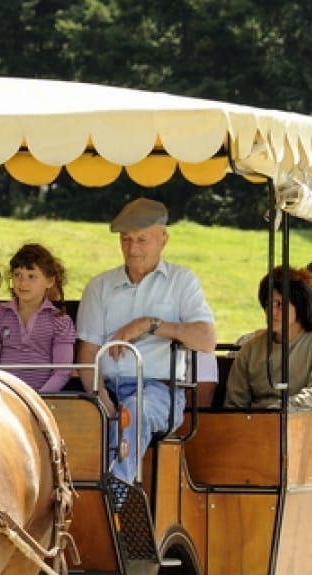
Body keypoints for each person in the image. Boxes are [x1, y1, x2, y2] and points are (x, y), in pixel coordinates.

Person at [76, 198, 217, 484]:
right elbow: (87, 352)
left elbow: (207, 340)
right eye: (126, 240)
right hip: (103, 390)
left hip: (160, 393)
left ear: (163, 239)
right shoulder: (100, 286)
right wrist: (101, 399)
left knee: (132, 411)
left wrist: (150, 325)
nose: (132, 248)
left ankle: (114, 499)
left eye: (142, 239)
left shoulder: (182, 281)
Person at [225, 267, 312, 412]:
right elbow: (234, 404)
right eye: (269, 305)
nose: (272, 312)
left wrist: (279, 409)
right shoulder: (250, 349)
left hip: (301, 426)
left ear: (300, 305)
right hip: (255, 427)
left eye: (280, 304)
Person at [0, 243, 75, 393]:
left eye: (32, 276)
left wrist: (38, 398)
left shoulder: (60, 322)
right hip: (3, 397)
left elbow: (62, 372)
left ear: (49, 281)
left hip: (44, 400)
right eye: (17, 275)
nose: (23, 283)